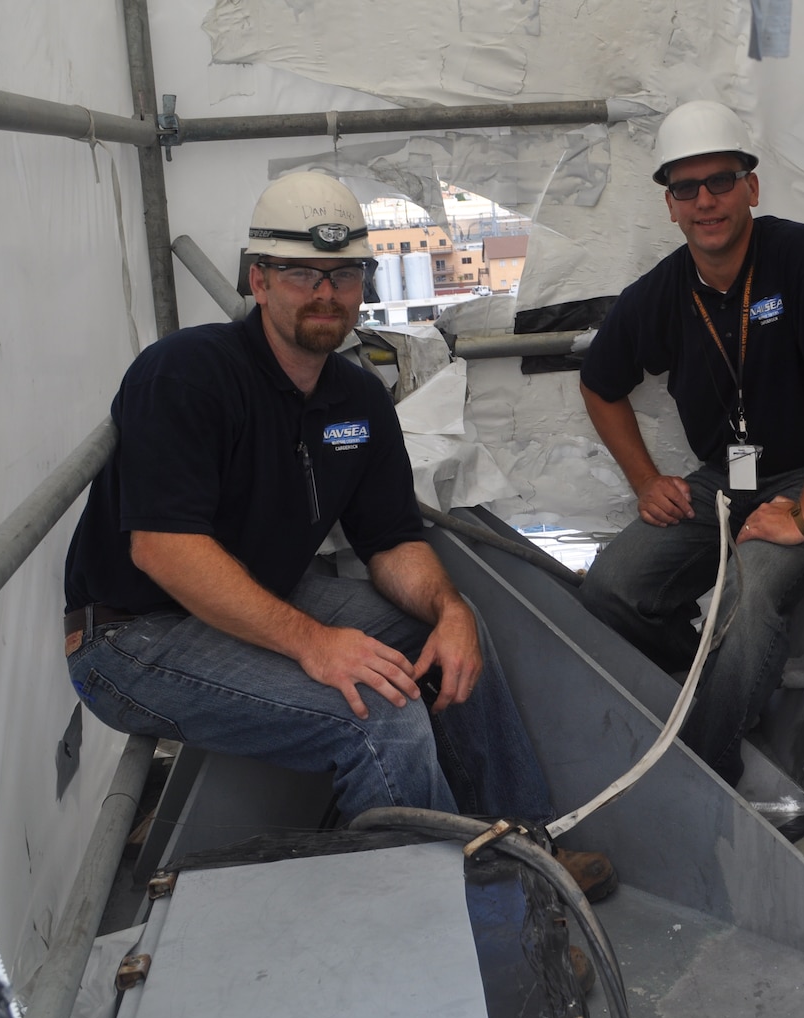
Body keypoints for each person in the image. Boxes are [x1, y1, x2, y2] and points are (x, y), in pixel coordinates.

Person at [62, 174, 601, 885]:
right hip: (131, 636)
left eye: (343, 273)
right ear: (259, 280)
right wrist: (313, 643)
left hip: (253, 594)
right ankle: (446, 924)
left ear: (363, 283)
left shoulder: (358, 398)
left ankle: (518, 849)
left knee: (447, 639)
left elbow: (390, 541)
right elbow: (163, 549)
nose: (325, 293)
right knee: (377, 715)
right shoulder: (186, 374)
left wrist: (449, 609)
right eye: (300, 273)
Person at [578, 101, 804, 786]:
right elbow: (599, 386)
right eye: (686, 189)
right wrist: (645, 480)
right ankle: (715, 691)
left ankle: (700, 773)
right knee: (610, 589)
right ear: (670, 207)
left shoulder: (802, 257)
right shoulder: (661, 294)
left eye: (720, 181)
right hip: (732, 478)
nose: (705, 201)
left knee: (747, 601)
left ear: (751, 186)